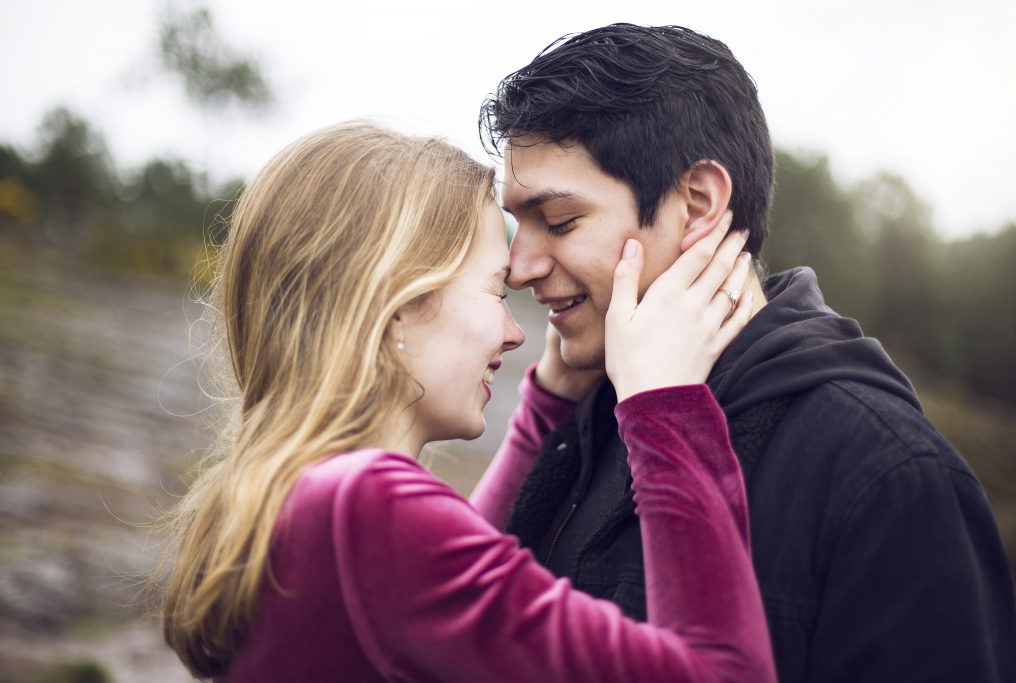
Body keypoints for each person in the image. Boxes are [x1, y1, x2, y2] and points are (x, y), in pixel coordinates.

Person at [478, 23, 1016, 683]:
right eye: (517, 223)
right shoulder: (589, 414)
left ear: (698, 203)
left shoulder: (884, 470)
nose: (519, 266)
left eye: (559, 221)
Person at [158, 121, 777, 681]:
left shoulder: (303, 496)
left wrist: (547, 406)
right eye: (494, 291)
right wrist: (666, 406)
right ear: (400, 305)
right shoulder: (365, 509)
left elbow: (445, 588)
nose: (515, 333)